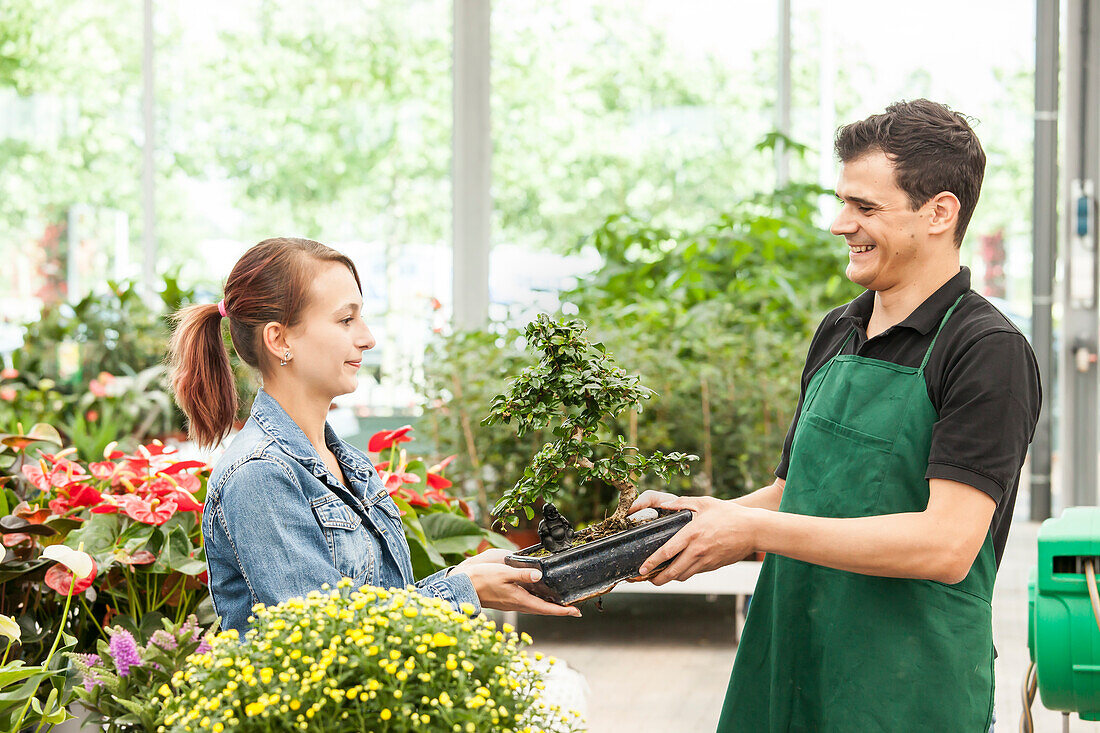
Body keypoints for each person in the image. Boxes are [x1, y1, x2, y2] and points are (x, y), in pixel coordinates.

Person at [631, 100, 1041, 731]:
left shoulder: (985, 350)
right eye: (842, 200)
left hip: (907, 690)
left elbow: (947, 544)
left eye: (865, 208)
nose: (838, 224)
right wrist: (706, 518)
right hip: (793, 662)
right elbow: (795, 492)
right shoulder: (840, 328)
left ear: (940, 212)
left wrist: (754, 533)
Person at [169, 237, 579, 632]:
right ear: (279, 339)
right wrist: (462, 591)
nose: (367, 338)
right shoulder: (260, 475)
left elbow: (376, 607)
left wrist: (466, 575)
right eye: (346, 319)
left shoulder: (346, 461)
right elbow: (322, 638)